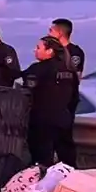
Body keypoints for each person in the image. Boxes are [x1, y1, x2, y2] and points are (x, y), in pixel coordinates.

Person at [22, 36, 77, 167]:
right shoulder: (69, 70)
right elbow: (74, 97)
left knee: (42, 161)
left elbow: (26, 94)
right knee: (67, 162)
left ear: (50, 51)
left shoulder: (37, 69)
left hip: (42, 121)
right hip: (64, 120)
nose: (35, 50)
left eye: (38, 48)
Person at [49, 17, 85, 113]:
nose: (49, 34)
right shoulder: (51, 51)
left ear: (60, 33)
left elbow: (76, 76)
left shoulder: (74, 52)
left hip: (66, 100)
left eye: (51, 31)